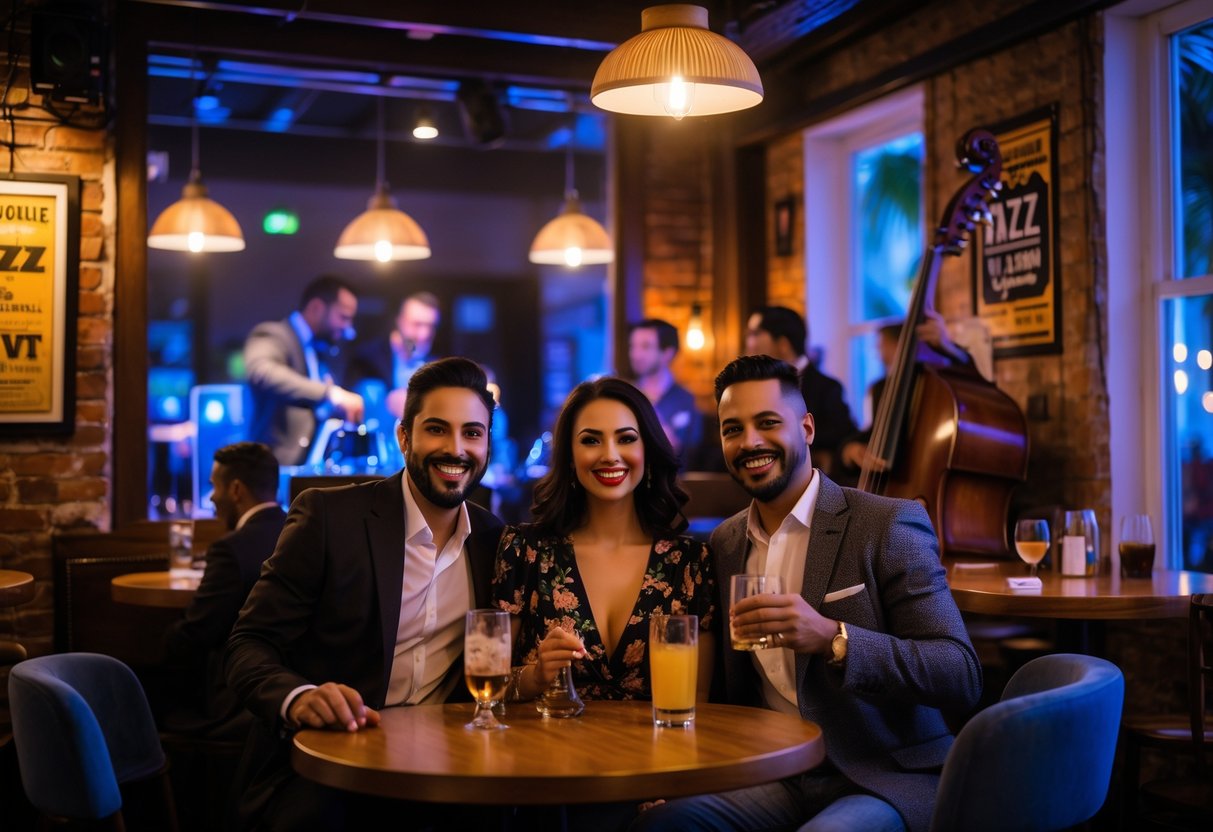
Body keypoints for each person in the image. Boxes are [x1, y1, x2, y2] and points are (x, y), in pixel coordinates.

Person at [631, 355, 982, 832]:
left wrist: (834, 638)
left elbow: (959, 672)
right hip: (773, 771)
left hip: (880, 774)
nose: (750, 441)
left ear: (808, 428)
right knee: (662, 825)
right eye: (732, 429)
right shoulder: (724, 544)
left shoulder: (886, 524)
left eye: (767, 423)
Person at [224, 357, 505, 831]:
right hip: (332, 766)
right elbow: (247, 645)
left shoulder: (494, 541)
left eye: (472, 433)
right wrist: (299, 697)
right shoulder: (329, 519)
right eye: (437, 429)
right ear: (404, 437)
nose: (456, 449)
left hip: (449, 768)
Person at [493, 377, 717, 831]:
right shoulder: (525, 550)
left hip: (653, 783)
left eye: (626, 438)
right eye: (590, 440)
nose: (609, 455)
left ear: (648, 451)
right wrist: (536, 675)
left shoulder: (689, 561)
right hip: (545, 781)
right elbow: (489, 693)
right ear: (569, 456)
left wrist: (671, 786)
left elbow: (698, 707)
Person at [161, 441, 285, 738]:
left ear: (236, 490)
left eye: (214, 486)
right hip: (290, 689)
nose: (212, 497)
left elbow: (196, 634)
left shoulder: (230, 550)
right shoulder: (301, 533)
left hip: (235, 700)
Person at [836, 311, 974, 485]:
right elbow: (876, 431)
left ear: (899, 344)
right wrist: (849, 449)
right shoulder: (881, 387)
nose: (878, 351)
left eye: (882, 344)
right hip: (892, 481)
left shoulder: (933, 381)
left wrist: (948, 346)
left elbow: (970, 381)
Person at [244, 275, 365, 465]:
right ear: (316, 307)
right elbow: (262, 372)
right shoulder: (273, 334)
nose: (348, 329)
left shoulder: (323, 350)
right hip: (271, 470)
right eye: (343, 317)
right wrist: (330, 394)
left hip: (308, 470)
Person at [744, 305, 856, 474]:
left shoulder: (827, 388)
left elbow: (841, 433)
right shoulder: (749, 387)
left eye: (754, 334)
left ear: (783, 344)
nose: (748, 343)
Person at [349, 291, 442, 421]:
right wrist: (386, 405)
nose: (424, 334)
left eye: (431, 326)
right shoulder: (367, 358)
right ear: (400, 321)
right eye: (417, 324)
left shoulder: (436, 367)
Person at [626, 319, 704, 468]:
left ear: (667, 353)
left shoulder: (687, 400)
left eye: (645, 346)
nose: (635, 355)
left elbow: (695, 456)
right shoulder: (627, 396)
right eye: (633, 346)